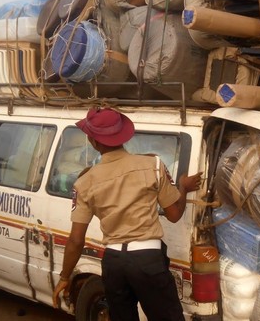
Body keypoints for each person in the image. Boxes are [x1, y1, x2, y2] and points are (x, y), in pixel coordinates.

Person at [52, 108, 202, 321]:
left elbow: (76, 240)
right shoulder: (153, 165)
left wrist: (65, 277)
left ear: (93, 141)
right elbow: (175, 214)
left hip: (113, 264)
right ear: (123, 136)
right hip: (148, 260)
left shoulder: (84, 182)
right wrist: (183, 188)